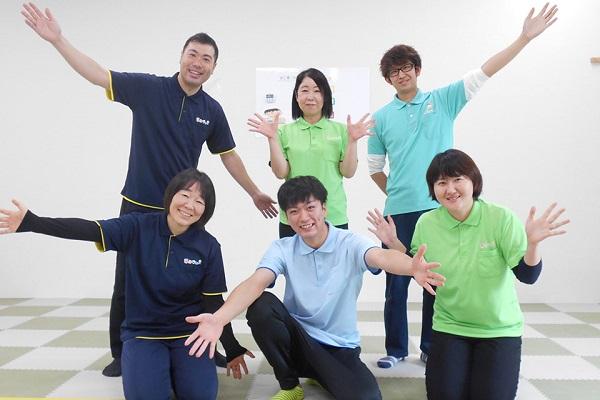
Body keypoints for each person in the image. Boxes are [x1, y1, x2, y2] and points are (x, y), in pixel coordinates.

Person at [21, 2, 277, 376]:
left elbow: (228, 156)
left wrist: (254, 192)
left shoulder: (212, 110)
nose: (198, 63)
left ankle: (204, 344)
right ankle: (121, 352)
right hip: (139, 204)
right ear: (181, 56)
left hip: (186, 208)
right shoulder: (148, 89)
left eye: (206, 59)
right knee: (127, 281)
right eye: (193, 54)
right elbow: (98, 74)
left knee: (193, 281)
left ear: (213, 67)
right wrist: (58, 40)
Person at [367, 3, 558, 368]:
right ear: (388, 79)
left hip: (440, 209)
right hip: (399, 211)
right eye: (393, 71)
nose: (401, 75)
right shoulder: (380, 118)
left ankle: (430, 345)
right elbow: (375, 168)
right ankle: (395, 349)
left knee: (436, 279)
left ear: (417, 70)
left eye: (406, 67)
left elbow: (485, 71)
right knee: (397, 283)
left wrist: (523, 38)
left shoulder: (443, 100)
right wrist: (397, 193)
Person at [182, 176, 446, 400]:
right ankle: (290, 385)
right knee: (262, 305)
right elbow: (256, 282)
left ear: (324, 209)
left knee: (367, 397)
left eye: (310, 208)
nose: (304, 217)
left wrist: (411, 267)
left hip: (338, 347)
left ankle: (321, 373)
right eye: (294, 211)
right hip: (297, 341)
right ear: (287, 217)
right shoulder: (283, 248)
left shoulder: (350, 242)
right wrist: (219, 319)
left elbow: (382, 257)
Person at [0, 169, 254, 400]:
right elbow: (88, 229)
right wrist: (32, 222)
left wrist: (232, 348)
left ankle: (175, 370)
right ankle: (158, 369)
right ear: (170, 196)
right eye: (185, 195)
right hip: (143, 333)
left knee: (200, 396)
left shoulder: (208, 246)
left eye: (199, 201)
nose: (190, 205)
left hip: (189, 335)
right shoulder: (137, 226)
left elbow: (213, 302)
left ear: (206, 210)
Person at [368, 149, 569, 400]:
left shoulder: (500, 218)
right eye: (442, 182)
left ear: (473, 181)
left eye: (457, 179)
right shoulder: (427, 223)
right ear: (433, 189)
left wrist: (533, 245)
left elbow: (528, 275)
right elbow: (418, 267)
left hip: (498, 331)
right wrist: (394, 243)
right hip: (450, 326)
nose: (450, 189)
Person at [248, 68, 373, 238]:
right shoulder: (283, 132)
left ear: (325, 96)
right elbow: (281, 173)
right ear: (296, 96)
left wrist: (352, 141)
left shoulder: (342, 130)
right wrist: (272, 138)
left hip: (332, 214)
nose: (310, 96)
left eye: (317, 91)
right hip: (294, 216)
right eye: (305, 90)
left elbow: (348, 172)